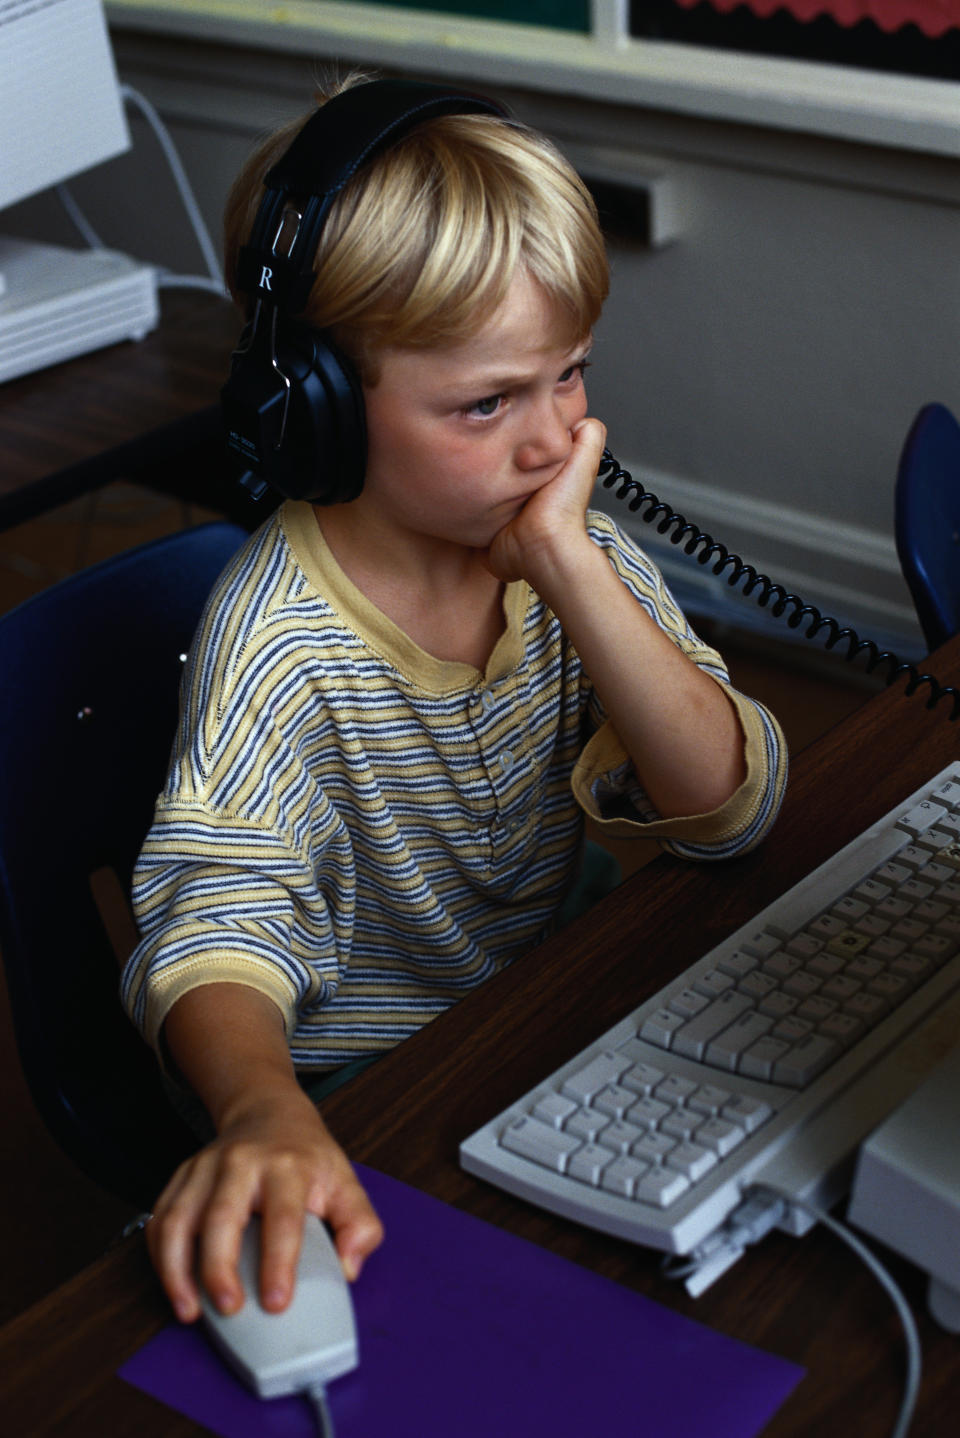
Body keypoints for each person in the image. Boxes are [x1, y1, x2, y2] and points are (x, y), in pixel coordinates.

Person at [121, 72, 787, 1329]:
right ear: (308, 409)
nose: (554, 446)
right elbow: (221, 910)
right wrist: (266, 1106)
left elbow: (727, 812)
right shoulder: (279, 636)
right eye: (486, 402)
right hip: (369, 1079)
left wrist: (584, 577)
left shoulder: (558, 547)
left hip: (541, 1001)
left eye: (570, 375)